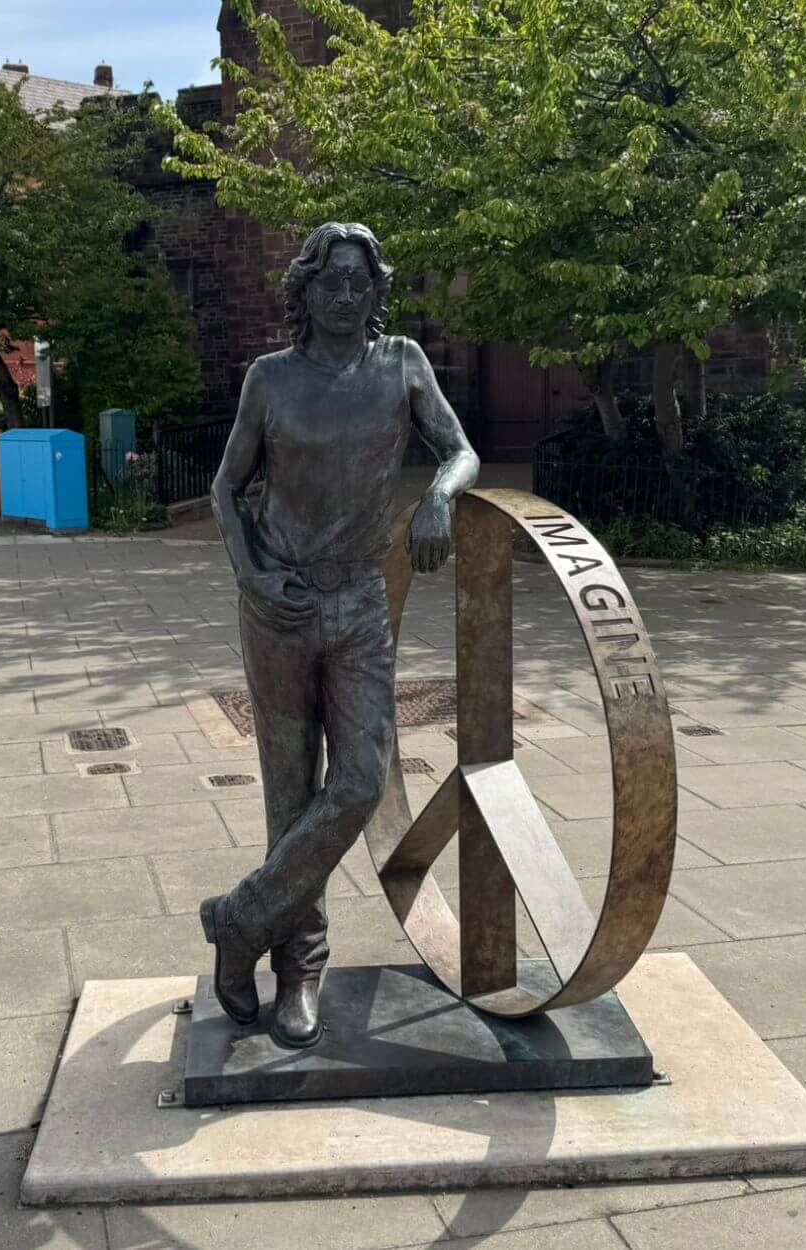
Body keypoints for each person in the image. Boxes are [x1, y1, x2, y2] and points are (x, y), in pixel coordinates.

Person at [201, 222, 480, 1048]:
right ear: (306, 289)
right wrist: (251, 573)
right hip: (277, 607)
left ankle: (239, 919)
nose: (347, 297)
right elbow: (225, 488)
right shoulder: (270, 380)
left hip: (359, 603)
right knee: (289, 795)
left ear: (374, 289)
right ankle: (300, 970)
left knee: (359, 779)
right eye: (331, 282)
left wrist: (439, 497)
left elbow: (460, 450)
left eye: (360, 282)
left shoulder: (401, 365)